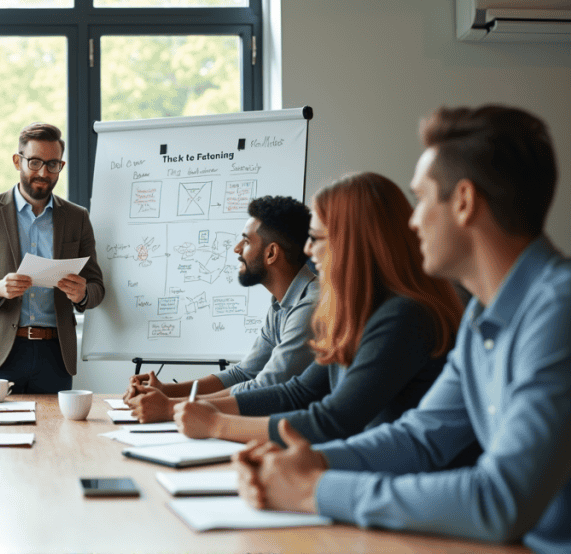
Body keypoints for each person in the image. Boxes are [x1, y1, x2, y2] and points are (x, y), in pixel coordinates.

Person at [232, 105, 570, 553]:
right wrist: (310, 461)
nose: (412, 221)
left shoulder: (557, 311)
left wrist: (314, 489)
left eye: (423, 199)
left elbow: (499, 500)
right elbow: (421, 436)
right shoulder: (479, 316)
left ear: (464, 202)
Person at [174, 172, 464, 446]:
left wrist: (216, 424)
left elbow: (333, 420)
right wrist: (197, 407)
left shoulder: (403, 316)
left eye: (316, 238)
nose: (308, 251)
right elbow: (299, 392)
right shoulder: (360, 311)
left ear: (350, 243)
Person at [123, 195, 318, 423]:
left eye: (246, 241)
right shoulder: (280, 304)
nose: (236, 249)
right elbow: (243, 373)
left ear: (271, 253)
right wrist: (167, 391)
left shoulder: (310, 306)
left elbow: (266, 386)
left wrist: (172, 406)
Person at [0, 122, 105, 393]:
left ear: (61, 165)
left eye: (52, 164)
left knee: (55, 433)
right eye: (34, 162)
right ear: (17, 161)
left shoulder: (76, 218)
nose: (43, 172)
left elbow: (96, 287)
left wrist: (82, 294)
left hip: (54, 354)